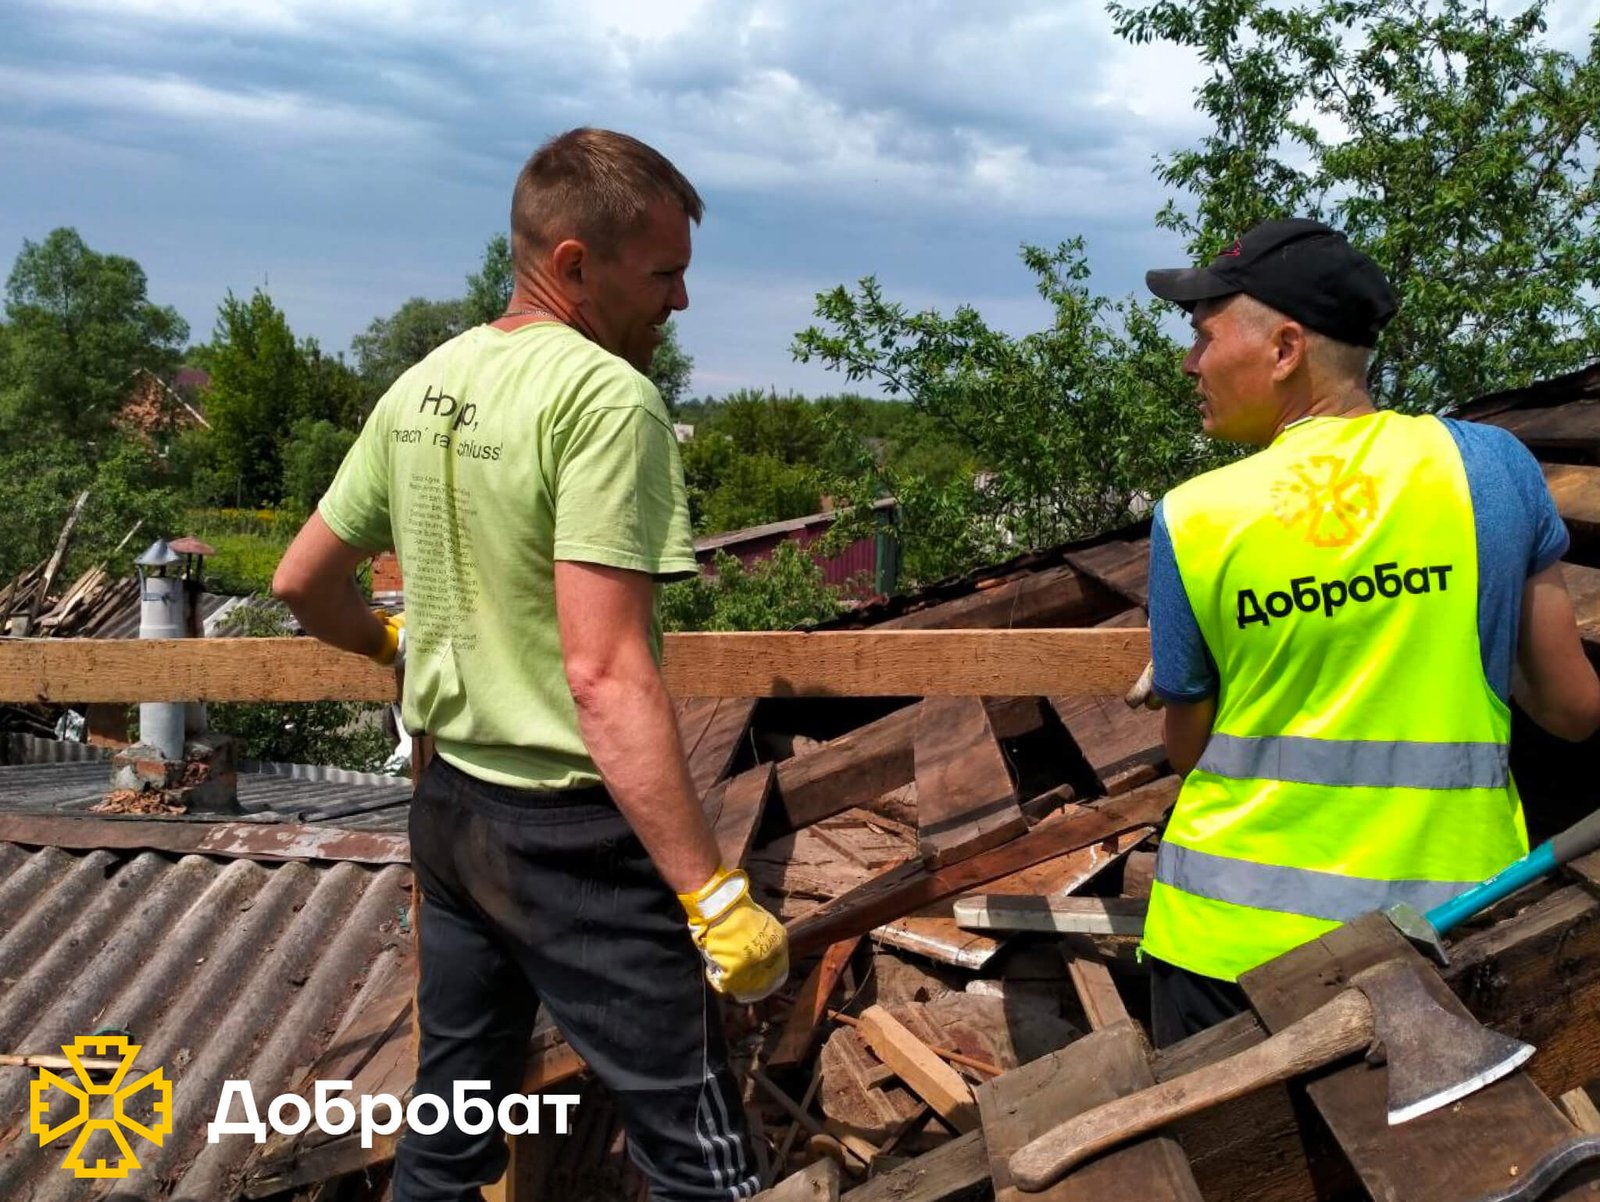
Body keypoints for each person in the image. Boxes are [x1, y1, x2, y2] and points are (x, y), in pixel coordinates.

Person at [274, 127, 786, 1201]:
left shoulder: (426, 383)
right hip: (573, 838)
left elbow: (302, 581)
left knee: (452, 1123)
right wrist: (712, 895)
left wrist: (387, 643)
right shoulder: (605, 399)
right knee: (699, 1160)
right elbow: (604, 675)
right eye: (665, 273)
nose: (681, 301)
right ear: (573, 263)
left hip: (453, 810)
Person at [1138, 217, 1600, 1047]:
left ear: (1285, 348)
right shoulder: (1489, 468)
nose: (1190, 364)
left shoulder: (1195, 518)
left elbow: (1186, 751)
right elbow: (1572, 710)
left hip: (1225, 948)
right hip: (1449, 929)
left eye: (1205, 337)